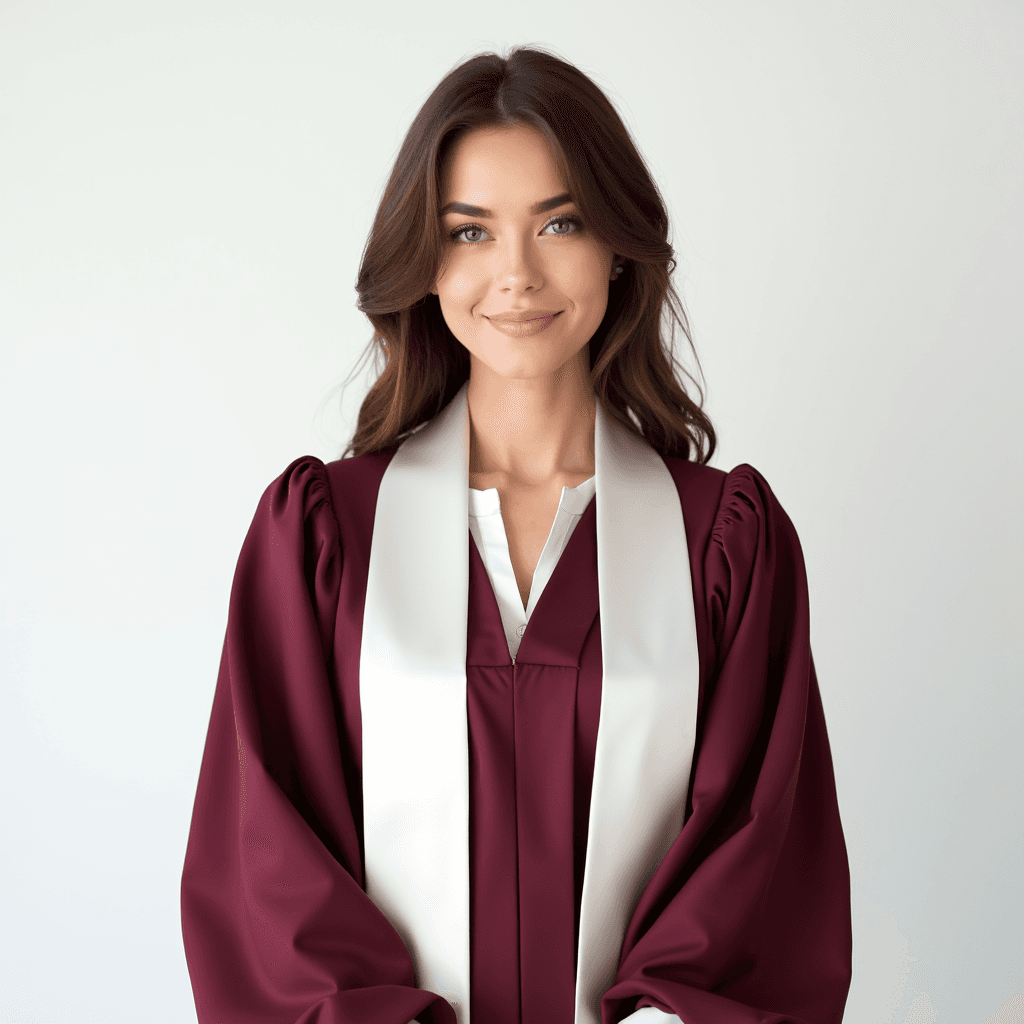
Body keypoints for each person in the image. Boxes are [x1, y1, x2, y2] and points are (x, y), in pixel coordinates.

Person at [180, 45, 852, 1024]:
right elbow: (270, 872)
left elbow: (759, 868)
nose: (516, 275)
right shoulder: (323, 542)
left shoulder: (725, 546)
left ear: (618, 243)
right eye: (470, 232)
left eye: (560, 223)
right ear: (425, 259)